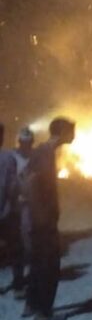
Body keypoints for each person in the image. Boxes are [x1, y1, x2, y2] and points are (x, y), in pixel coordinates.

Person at [23, 117, 75, 320]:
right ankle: (43, 312)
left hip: (38, 219)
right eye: (71, 131)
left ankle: (31, 304)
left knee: (37, 262)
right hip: (44, 220)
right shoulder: (46, 155)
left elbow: (26, 178)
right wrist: (44, 215)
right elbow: (36, 183)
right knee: (50, 264)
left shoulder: (41, 151)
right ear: (61, 132)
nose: (74, 136)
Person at [0, 122, 23, 297]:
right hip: (7, 212)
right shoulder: (8, 158)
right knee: (16, 248)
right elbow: (13, 186)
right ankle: (17, 286)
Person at [13, 127, 35, 292]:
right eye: (23, 142)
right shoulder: (11, 157)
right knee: (17, 244)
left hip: (32, 205)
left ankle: (31, 277)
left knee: (30, 242)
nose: (26, 145)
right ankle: (18, 282)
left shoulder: (36, 157)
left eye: (28, 142)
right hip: (15, 205)